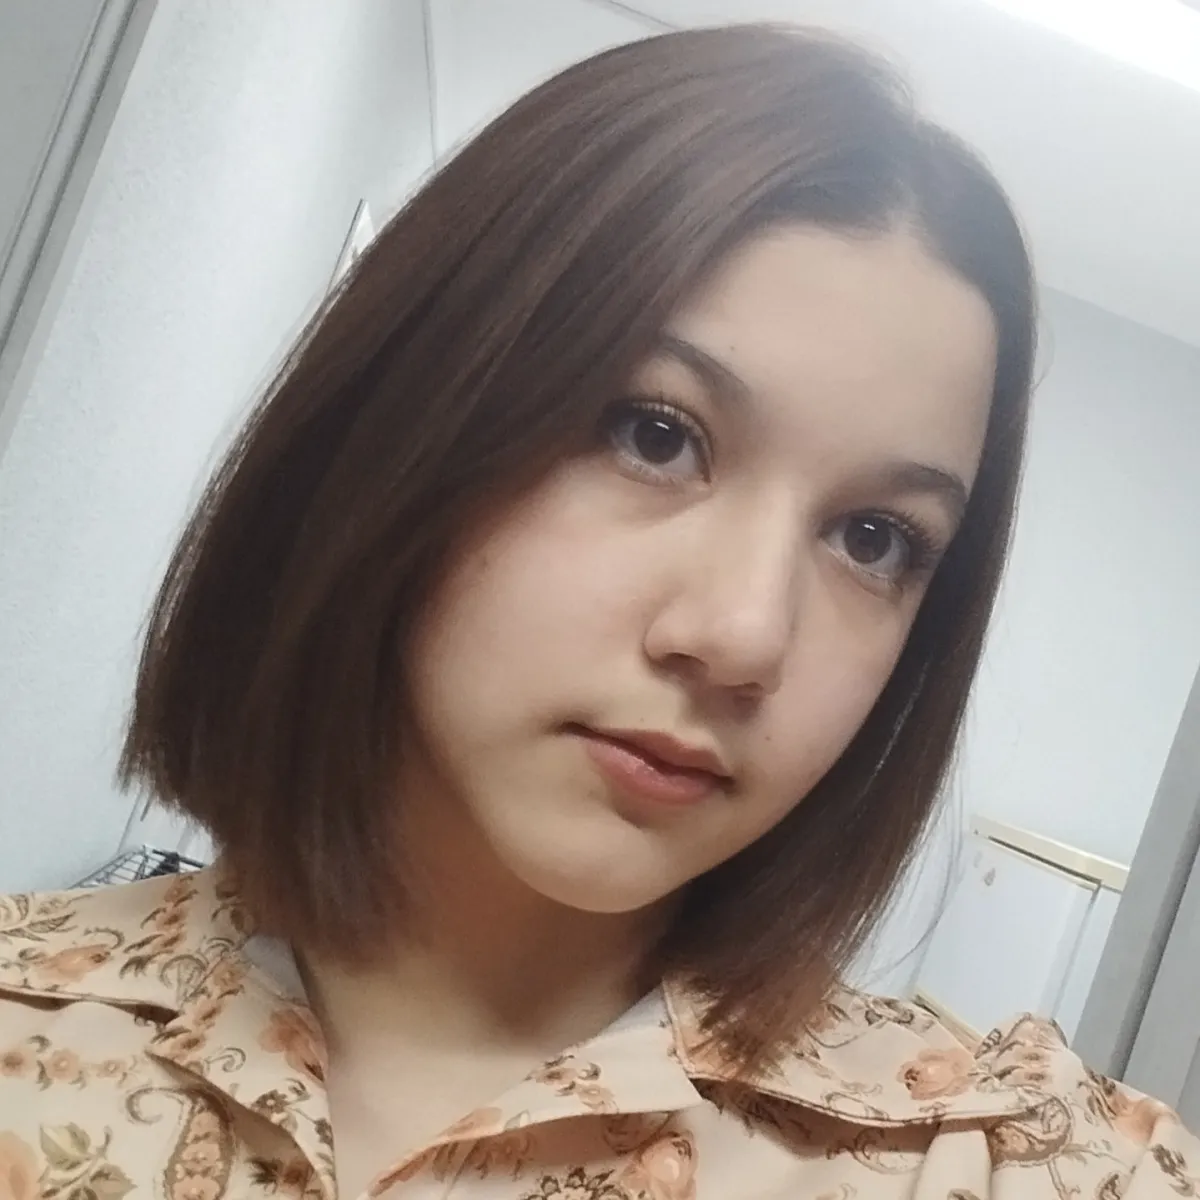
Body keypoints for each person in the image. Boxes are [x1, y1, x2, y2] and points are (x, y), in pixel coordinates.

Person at [0, 22, 1194, 1200]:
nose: (744, 635)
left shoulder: (1009, 1165)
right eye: (654, 434)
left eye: (874, 539)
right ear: (407, 416)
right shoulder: (32, 1025)